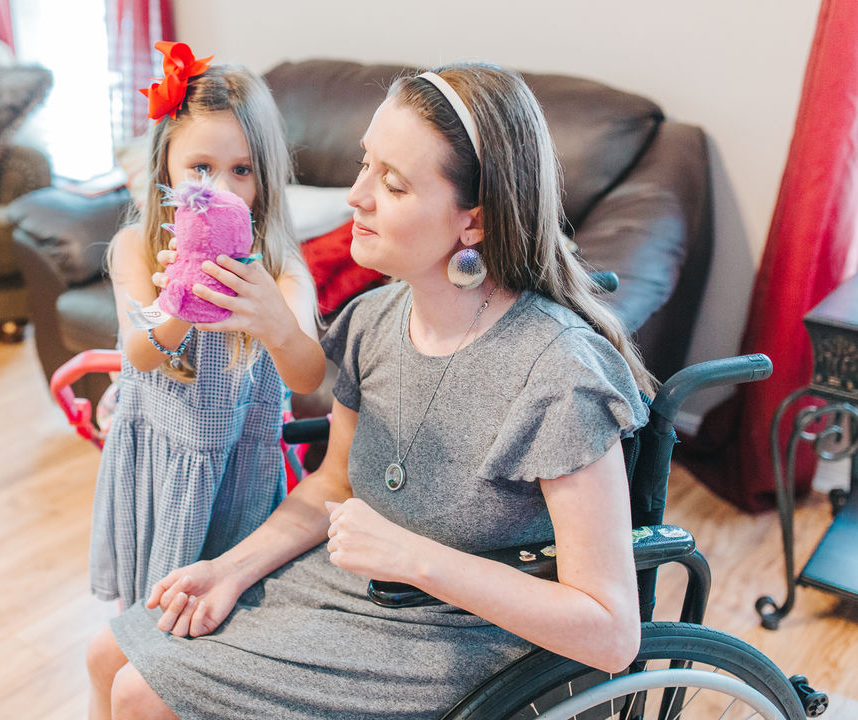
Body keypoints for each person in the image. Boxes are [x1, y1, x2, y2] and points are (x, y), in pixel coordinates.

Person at [86, 61, 655, 720]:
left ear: (473, 221)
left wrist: (415, 558)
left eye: (390, 183)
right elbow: (332, 486)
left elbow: (612, 633)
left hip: (463, 636)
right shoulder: (372, 322)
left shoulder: (559, 375)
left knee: (141, 694)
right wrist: (231, 568)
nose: (355, 197)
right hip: (357, 584)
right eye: (365, 165)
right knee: (108, 655)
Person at [90, 41, 325, 609]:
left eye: (241, 171)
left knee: (217, 618)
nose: (220, 191)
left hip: (236, 475)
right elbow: (140, 355)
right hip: (158, 467)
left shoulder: (280, 269)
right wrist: (179, 301)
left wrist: (273, 322)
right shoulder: (136, 251)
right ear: (164, 167)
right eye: (200, 169)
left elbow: (307, 375)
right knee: (146, 611)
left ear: (264, 178)